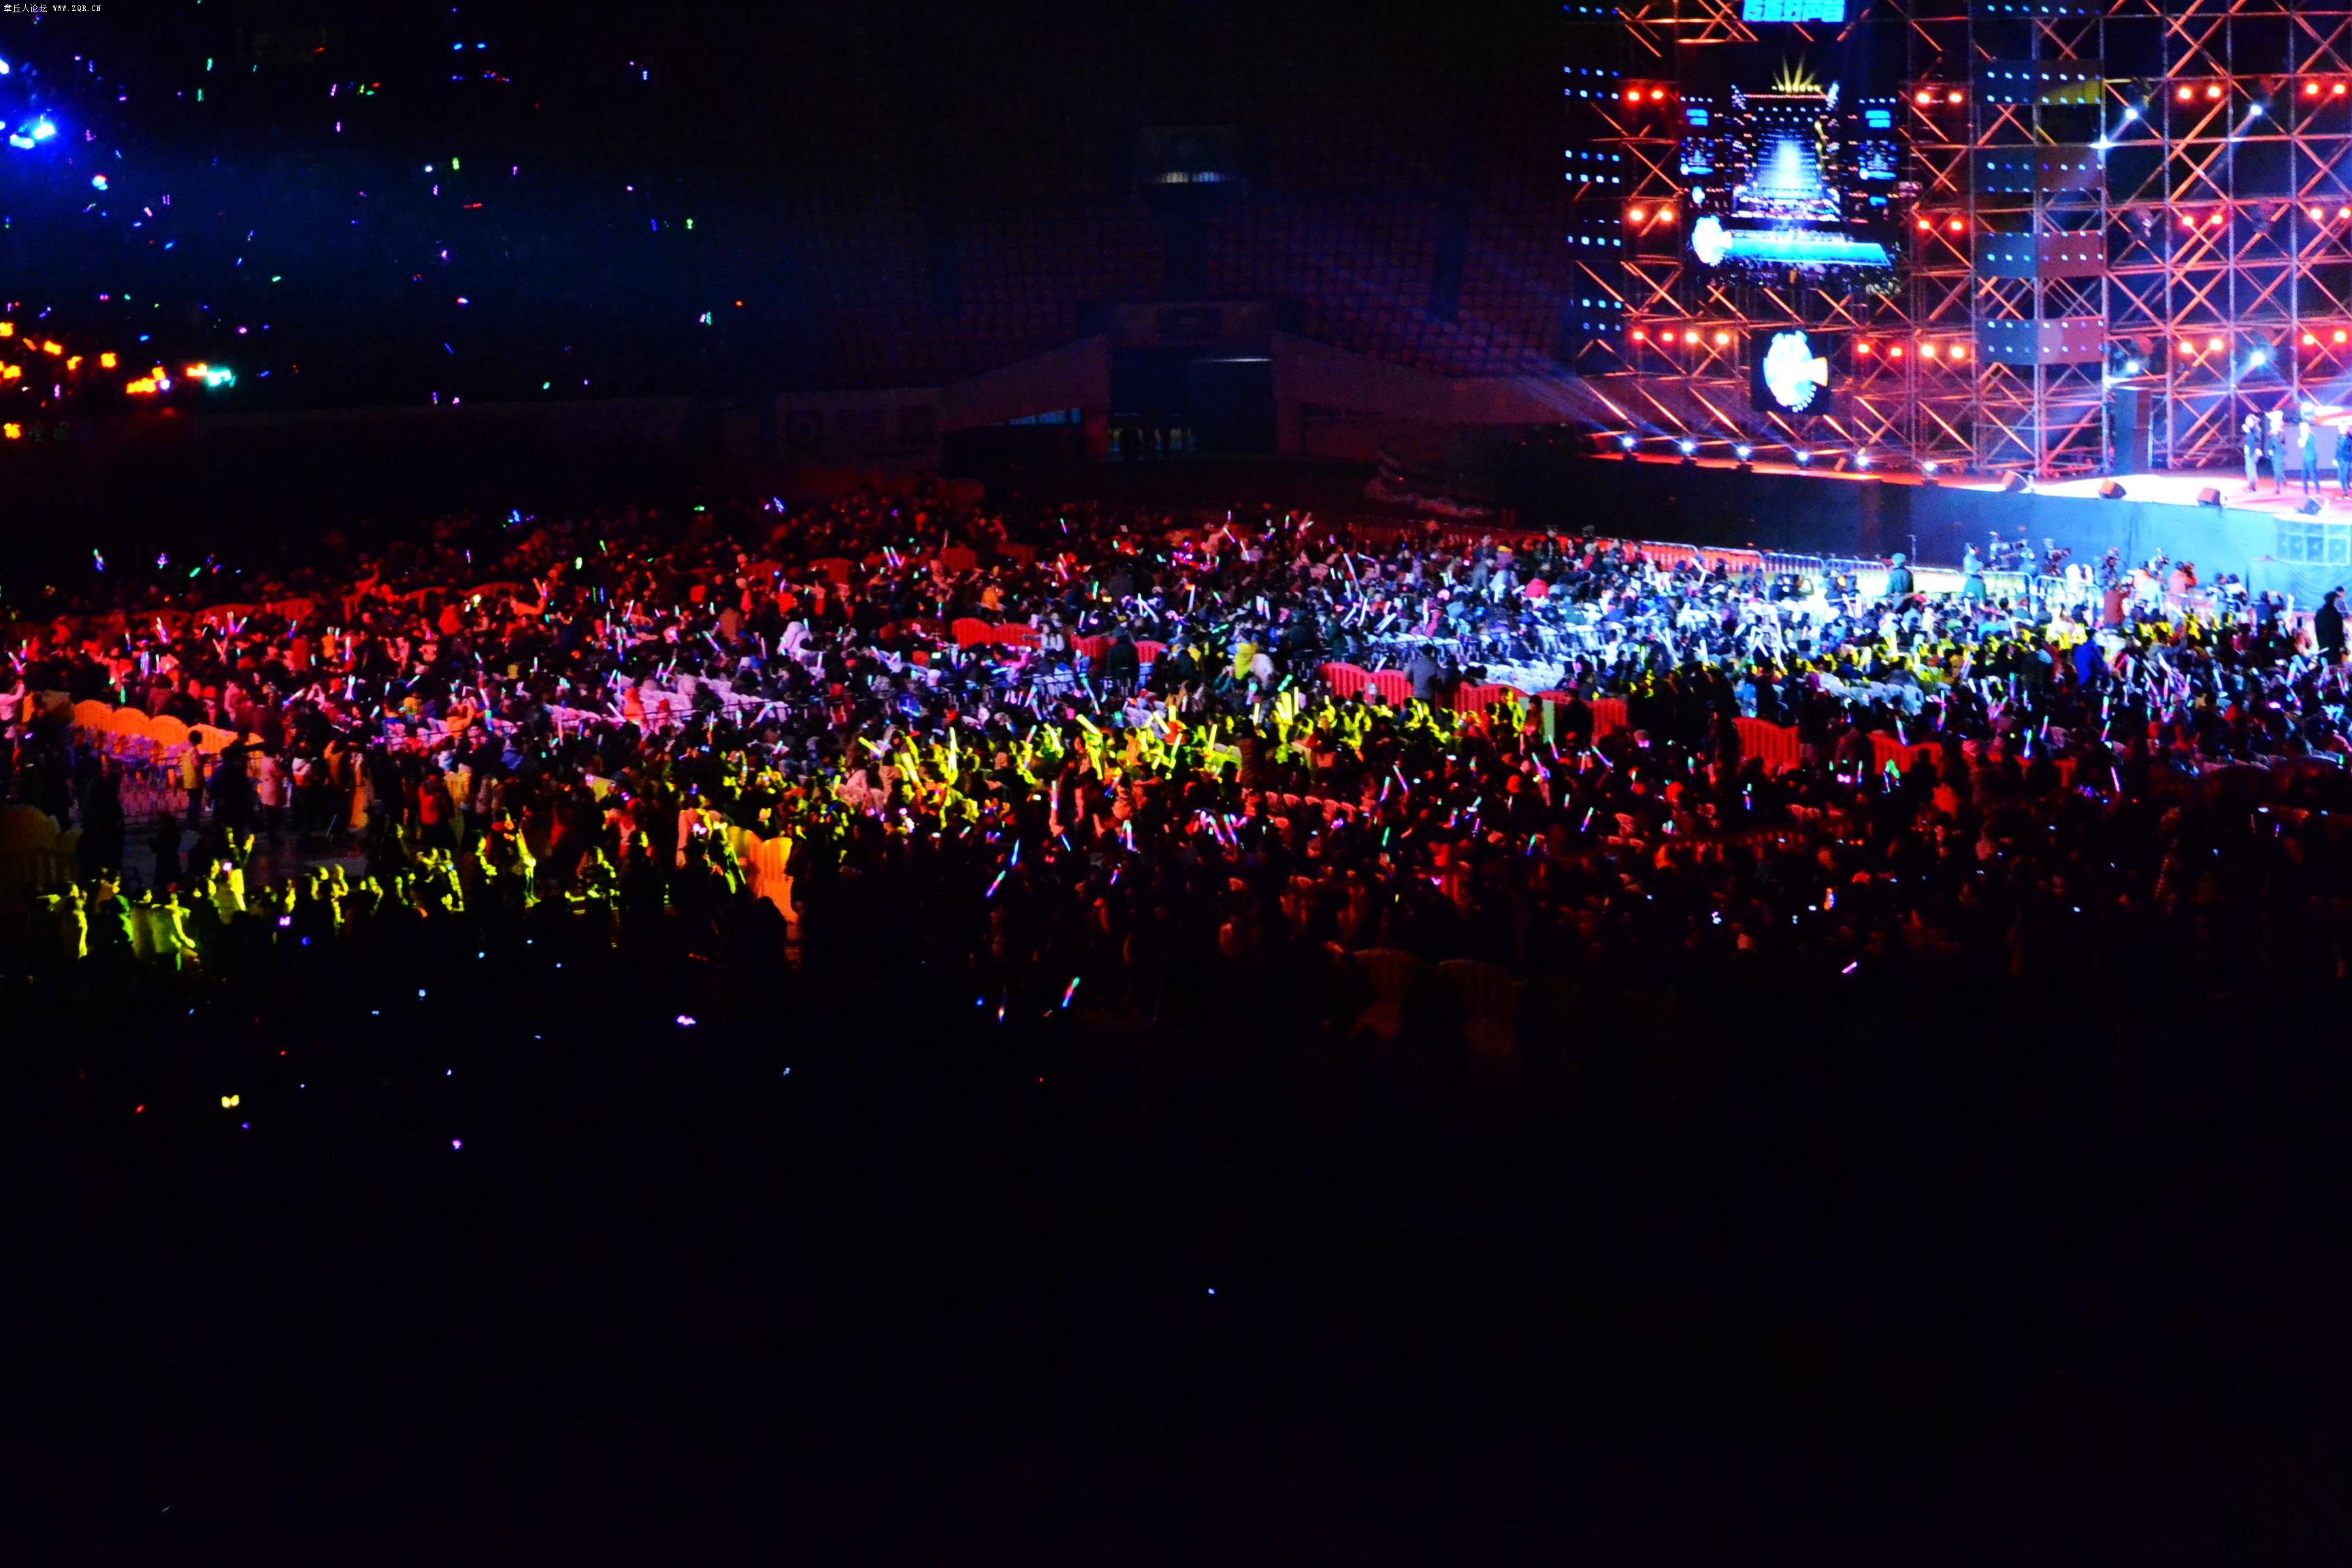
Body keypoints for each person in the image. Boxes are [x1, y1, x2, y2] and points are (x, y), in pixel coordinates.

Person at [2319, 587, 2349, 666]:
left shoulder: (2319, 613)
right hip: (2334, 648)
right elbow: (2339, 632)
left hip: (2323, 645)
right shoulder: (2336, 614)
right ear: (2334, 601)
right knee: (2335, 667)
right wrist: (2342, 647)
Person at [2301, 409, 2321, 497]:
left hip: (2311, 458)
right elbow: (2301, 445)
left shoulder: (2311, 436)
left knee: (2313, 474)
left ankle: (2318, 491)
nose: (2300, 429)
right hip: (2306, 457)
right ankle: (2306, 491)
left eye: (2302, 427)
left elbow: (2308, 445)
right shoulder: (2304, 436)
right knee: (2303, 474)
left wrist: (2303, 441)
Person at [2245, 412, 2264, 493]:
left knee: (2251, 468)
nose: (2248, 423)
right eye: (2247, 421)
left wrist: (2248, 432)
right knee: (2249, 468)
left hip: (2254, 451)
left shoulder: (2257, 430)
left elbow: (2256, 440)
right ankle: (2252, 484)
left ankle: (2252, 486)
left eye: (2250, 421)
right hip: (2249, 450)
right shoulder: (2250, 429)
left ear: (2254, 421)